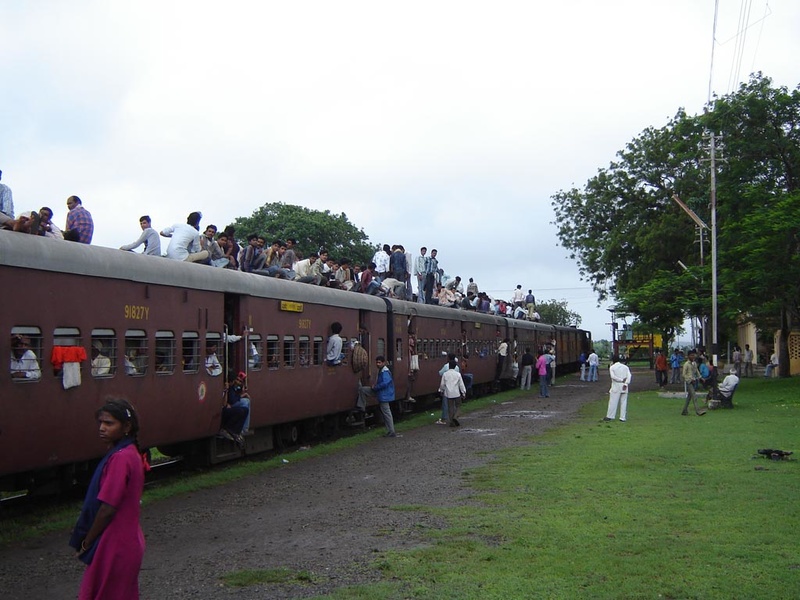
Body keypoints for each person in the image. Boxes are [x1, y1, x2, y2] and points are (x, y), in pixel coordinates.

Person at [69, 398, 147, 600]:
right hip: (127, 540)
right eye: (101, 423)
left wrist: (86, 542)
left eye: (109, 423)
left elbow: (108, 508)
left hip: (114, 544)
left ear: (127, 427)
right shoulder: (130, 453)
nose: (102, 428)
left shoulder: (120, 458)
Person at [220, 372, 250, 443]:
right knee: (243, 407)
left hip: (229, 406)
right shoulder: (228, 388)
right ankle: (228, 429)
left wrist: (242, 389)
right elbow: (225, 403)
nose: (237, 382)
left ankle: (237, 432)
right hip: (224, 409)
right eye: (236, 380)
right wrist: (226, 390)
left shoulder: (233, 387)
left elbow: (235, 395)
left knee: (245, 410)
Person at [373, 356, 396, 437]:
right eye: (377, 362)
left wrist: (376, 387)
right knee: (386, 413)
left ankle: (391, 431)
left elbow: (385, 383)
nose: (377, 364)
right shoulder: (383, 371)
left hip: (384, 395)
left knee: (386, 413)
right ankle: (390, 431)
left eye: (379, 362)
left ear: (383, 363)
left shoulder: (384, 372)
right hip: (384, 394)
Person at [439, 358, 466, 427]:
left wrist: (441, 391)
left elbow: (442, 384)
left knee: (450, 408)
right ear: (455, 366)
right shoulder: (458, 374)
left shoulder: (445, 374)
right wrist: (463, 392)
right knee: (458, 406)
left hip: (448, 394)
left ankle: (452, 422)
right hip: (456, 393)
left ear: (449, 366)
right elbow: (461, 384)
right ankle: (455, 417)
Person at [604, 355, 632, 422]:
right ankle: (622, 417)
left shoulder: (612, 367)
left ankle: (610, 416)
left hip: (616, 386)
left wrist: (621, 379)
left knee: (613, 401)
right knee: (624, 402)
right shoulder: (625, 367)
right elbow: (629, 376)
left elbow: (613, 376)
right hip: (624, 386)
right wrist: (626, 383)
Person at [681, 350, 706, 416]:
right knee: (694, 396)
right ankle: (698, 411)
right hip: (689, 382)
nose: (693, 356)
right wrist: (690, 379)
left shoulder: (694, 363)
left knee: (689, 397)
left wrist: (701, 378)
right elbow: (683, 374)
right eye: (691, 355)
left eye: (693, 355)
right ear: (688, 356)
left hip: (694, 381)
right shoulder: (686, 364)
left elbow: (697, 371)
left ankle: (684, 410)